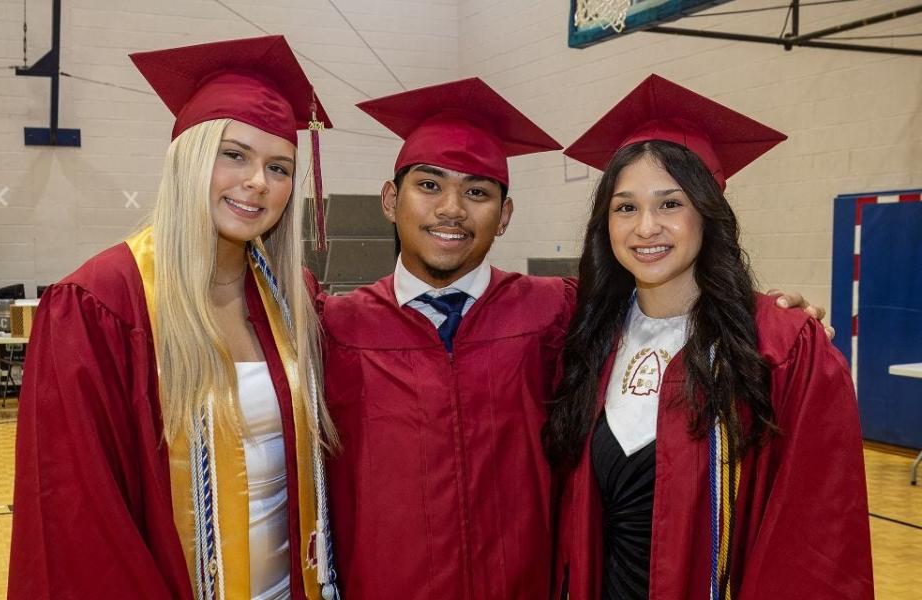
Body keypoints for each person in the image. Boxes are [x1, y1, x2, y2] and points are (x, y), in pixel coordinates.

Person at [315, 77, 826, 600]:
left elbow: (679, 299)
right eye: (429, 185)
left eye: (477, 191)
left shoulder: (554, 312)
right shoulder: (331, 326)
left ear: (505, 215)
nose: (452, 209)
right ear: (388, 199)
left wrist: (776, 321)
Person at [8, 36, 339, 600]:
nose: (258, 182)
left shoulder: (293, 301)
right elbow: (78, 514)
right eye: (234, 155)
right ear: (188, 158)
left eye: (279, 167)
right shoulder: (101, 304)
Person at [544, 74, 873, 600]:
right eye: (625, 207)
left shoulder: (780, 349)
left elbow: (818, 541)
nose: (645, 226)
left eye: (670, 204)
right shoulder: (583, 336)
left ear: (708, 211)